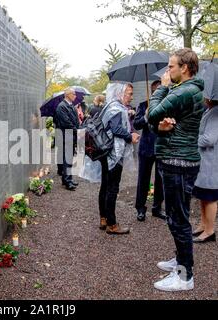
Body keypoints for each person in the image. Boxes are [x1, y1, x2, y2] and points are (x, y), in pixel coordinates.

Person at [147, 48, 205, 291]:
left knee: (179, 220)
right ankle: (180, 260)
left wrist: (161, 87)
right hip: (175, 159)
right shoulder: (182, 91)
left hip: (178, 163)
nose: (167, 71)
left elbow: (151, 113)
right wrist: (161, 128)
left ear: (185, 68)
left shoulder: (184, 90)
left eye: (171, 67)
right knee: (175, 217)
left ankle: (184, 276)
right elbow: (157, 124)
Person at [98, 82, 140, 234]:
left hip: (106, 152)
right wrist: (130, 136)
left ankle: (103, 218)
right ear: (120, 94)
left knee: (105, 185)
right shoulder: (116, 108)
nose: (131, 97)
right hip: (113, 154)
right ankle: (112, 224)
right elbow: (116, 129)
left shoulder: (111, 106)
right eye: (129, 93)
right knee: (112, 188)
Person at [133, 80, 166, 221]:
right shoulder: (143, 105)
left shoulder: (167, 106)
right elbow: (136, 124)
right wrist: (146, 116)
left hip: (162, 148)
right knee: (143, 180)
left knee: (161, 180)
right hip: (146, 148)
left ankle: (157, 208)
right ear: (153, 92)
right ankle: (140, 209)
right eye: (156, 90)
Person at [192, 97, 218, 243]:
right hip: (204, 162)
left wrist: (193, 137)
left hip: (211, 162)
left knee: (210, 197)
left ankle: (209, 231)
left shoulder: (216, 113)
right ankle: (203, 224)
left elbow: (209, 139)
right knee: (203, 196)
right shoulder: (210, 110)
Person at [55, 88, 80, 190]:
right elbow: (66, 123)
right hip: (66, 135)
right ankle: (67, 181)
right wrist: (77, 131)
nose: (75, 96)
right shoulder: (62, 107)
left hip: (71, 135)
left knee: (69, 159)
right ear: (68, 95)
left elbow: (75, 120)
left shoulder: (71, 106)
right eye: (74, 94)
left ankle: (67, 179)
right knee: (67, 159)